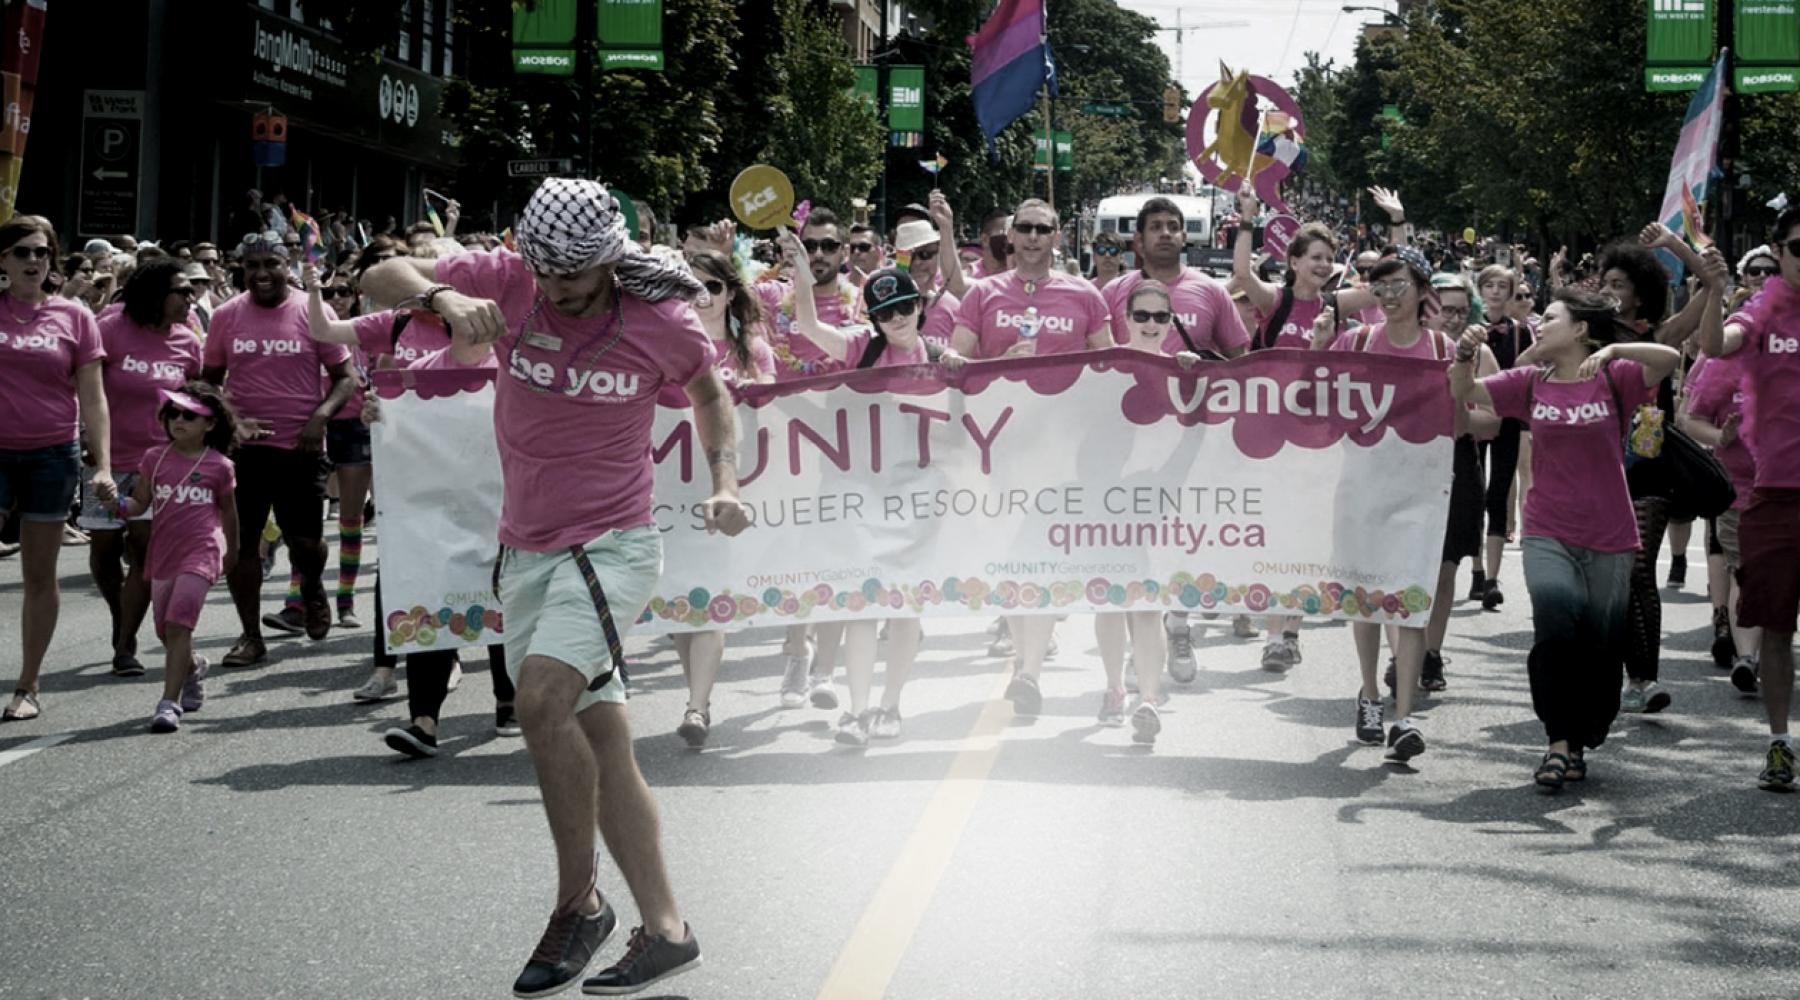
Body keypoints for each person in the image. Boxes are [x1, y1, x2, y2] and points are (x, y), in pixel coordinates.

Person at [363, 177, 746, 994]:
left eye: (576, 277)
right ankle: (669, 930)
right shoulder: (507, 280)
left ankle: (580, 906)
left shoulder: (660, 320)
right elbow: (381, 277)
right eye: (549, 277)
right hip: (526, 548)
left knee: (537, 702)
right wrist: (442, 298)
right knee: (605, 739)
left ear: (610, 261)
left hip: (613, 547)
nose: (560, 292)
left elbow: (712, 395)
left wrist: (725, 481)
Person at [1452, 288, 1682, 790]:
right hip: (1546, 529)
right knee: (1555, 626)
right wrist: (1465, 354)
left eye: (1551, 317)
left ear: (1580, 329)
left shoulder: (1613, 375)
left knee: (1601, 648)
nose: (1540, 322)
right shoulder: (1529, 382)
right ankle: (1558, 743)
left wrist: (1617, 349)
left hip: (1610, 532)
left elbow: (1669, 359)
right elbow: (1463, 393)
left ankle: (1579, 741)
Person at [941, 198, 1112, 719]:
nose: (1034, 237)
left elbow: (1109, 365)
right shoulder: (983, 295)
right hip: (1000, 447)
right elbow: (954, 361)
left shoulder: (1085, 295)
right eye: (1025, 229)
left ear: (1058, 237)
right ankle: (1026, 664)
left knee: (1046, 557)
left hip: (1065, 452)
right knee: (1014, 559)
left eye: (1044, 229)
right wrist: (995, 363)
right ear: (1009, 238)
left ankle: (1029, 668)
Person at [779, 252, 933, 744]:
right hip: (862, 494)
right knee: (863, 604)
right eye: (885, 313)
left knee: (906, 607)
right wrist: (803, 276)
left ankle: (892, 706)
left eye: (904, 307)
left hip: (916, 497)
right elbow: (807, 324)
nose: (897, 319)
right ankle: (858, 709)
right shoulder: (860, 349)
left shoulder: (940, 355)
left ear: (919, 305)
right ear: (874, 319)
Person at [1315, 247, 1462, 760]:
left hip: (1420, 491)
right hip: (1361, 486)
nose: (1391, 297)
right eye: (1381, 288)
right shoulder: (1356, 340)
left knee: (1410, 599)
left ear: (1423, 291)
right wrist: (1317, 347)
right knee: (1366, 597)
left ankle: (1404, 716)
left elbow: (1468, 416)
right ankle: (1370, 695)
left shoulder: (1444, 348)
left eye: (1400, 285)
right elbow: (1314, 398)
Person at [1106, 196, 1258, 678]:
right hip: (1128, 438)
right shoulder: (1112, 292)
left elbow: (1241, 362)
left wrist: (1207, 370)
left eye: (1174, 226)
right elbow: (1092, 358)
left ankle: (1178, 625)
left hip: (1193, 440)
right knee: (1133, 543)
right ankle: (1139, 648)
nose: (1167, 233)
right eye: (1157, 226)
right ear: (1140, 239)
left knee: (1180, 540)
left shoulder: (1210, 293)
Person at [200, 233, 356, 666]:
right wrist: (232, 420)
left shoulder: (314, 310)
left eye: (271, 263)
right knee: (243, 546)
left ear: (288, 265)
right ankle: (251, 636)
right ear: (241, 269)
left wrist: (320, 417)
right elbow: (209, 381)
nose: (262, 274)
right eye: (253, 266)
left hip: (301, 450)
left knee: (305, 542)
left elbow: (345, 377)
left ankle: (313, 587)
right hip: (244, 453)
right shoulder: (226, 315)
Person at [1696, 208, 1800, 791]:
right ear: (1780, 253)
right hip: (1776, 495)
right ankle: (1780, 742)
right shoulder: (1760, 316)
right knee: (1777, 629)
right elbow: (1714, 344)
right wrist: (1713, 291)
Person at [0, 216, 117, 723]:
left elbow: (93, 399)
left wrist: (105, 465)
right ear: (2, 260)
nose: (33, 261)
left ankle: (28, 684)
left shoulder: (74, 316)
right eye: (22, 252)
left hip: (52, 455)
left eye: (42, 253)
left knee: (39, 576)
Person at [82, 259, 204, 678]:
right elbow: (83, 383)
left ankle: (124, 638)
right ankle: (121, 614)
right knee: (103, 550)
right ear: (155, 295)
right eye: (182, 291)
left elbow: (195, 400)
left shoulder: (188, 342)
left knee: (145, 553)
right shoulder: (111, 328)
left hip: (160, 467)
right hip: (106, 463)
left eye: (191, 291)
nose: (190, 298)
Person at [1102, 279, 1205, 742]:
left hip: (1160, 503)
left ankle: (1148, 697)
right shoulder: (1102, 368)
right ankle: (1112, 689)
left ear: (1172, 323)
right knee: (1107, 601)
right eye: (1140, 316)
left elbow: (1199, 436)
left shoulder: (1185, 372)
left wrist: (1193, 382)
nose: (1150, 324)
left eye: (1160, 317)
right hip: (1105, 501)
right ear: (1125, 318)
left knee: (1148, 604)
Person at [115, 382, 239, 733]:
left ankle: (168, 702)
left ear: (210, 424)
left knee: (179, 623)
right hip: (164, 552)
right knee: (165, 632)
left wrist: (234, 551)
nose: (179, 420)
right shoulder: (154, 459)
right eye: (173, 414)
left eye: (189, 415)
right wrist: (116, 505)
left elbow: (229, 513)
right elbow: (139, 503)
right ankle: (193, 666)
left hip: (202, 550)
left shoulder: (220, 466)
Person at [1678, 347, 1760, 691]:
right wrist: (1719, 437)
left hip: (1790, 488)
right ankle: (1746, 658)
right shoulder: (1723, 364)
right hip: (1738, 489)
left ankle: (1768, 650)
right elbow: (1691, 419)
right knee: (1744, 568)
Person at [1470, 264, 1534, 612]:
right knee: (1475, 491)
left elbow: (1530, 373)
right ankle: (1477, 568)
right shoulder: (1468, 330)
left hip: (1509, 420)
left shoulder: (1522, 332)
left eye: (1502, 286)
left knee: (1499, 492)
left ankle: (1492, 578)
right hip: (1477, 416)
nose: (1495, 291)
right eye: (1489, 285)